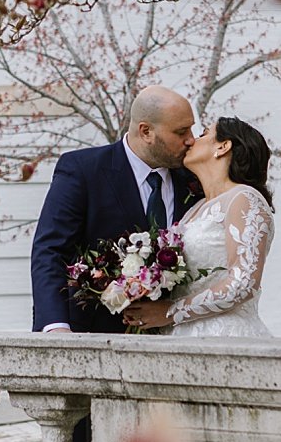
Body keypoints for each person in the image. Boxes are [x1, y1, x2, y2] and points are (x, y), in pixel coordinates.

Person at [31, 85, 200, 334]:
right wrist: (56, 327)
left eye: (192, 128)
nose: (191, 139)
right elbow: (50, 251)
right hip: (94, 334)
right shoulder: (83, 170)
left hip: (177, 336)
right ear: (146, 132)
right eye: (181, 131)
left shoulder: (194, 179)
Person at [124, 116, 274, 337]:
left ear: (223, 146)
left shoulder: (244, 199)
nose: (192, 141)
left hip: (225, 335)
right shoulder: (195, 209)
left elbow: (243, 283)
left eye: (204, 134)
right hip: (179, 336)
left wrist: (170, 312)